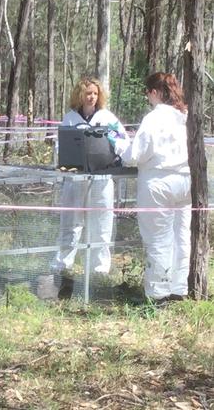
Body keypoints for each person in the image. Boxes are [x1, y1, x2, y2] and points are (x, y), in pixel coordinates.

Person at [113, 72, 190, 303]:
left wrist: (119, 146)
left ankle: (158, 295)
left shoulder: (153, 119)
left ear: (154, 92)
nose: (148, 98)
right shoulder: (183, 116)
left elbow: (136, 155)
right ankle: (179, 288)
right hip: (185, 181)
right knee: (181, 237)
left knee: (158, 238)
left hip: (159, 183)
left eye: (148, 93)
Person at [52, 77, 129, 298]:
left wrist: (118, 154)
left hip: (102, 178)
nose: (91, 97)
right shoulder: (70, 119)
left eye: (95, 93)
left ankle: (99, 270)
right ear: (79, 94)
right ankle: (63, 266)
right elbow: (60, 145)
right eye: (87, 93)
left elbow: (121, 139)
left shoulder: (107, 118)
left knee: (102, 221)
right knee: (71, 223)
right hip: (75, 180)